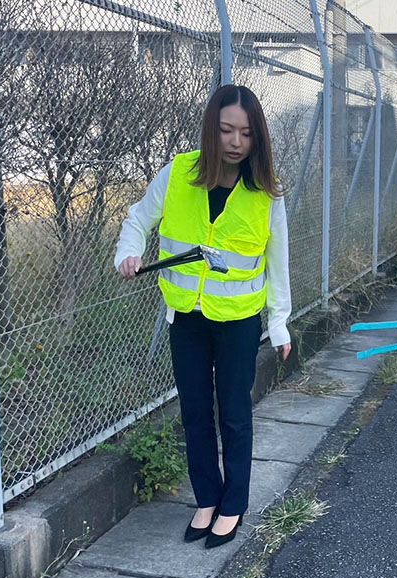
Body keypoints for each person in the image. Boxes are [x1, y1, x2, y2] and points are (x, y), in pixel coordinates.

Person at [114, 85, 291, 549]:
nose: (235, 141)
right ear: (211, 129)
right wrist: (128, 254)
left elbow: (279, 260)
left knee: (233, 414)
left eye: (246, 133)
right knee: (194, 413)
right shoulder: (178, 173)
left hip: (237, 319)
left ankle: (234, 503)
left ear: (257, 139)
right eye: (226, 129)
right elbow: (137, 220)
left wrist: (280, 321)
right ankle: (206, 498)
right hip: (186, 317)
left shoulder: (266, 191)